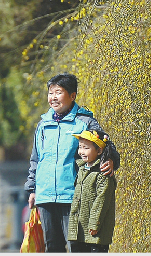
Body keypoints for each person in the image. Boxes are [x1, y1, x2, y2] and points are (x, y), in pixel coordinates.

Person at [24, 73, 120, 252]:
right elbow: (36, 159)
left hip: (73, 196)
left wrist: (111, 159)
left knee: (77, 246)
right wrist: (32, 189)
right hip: (45, 195)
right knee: (52, 247)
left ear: (72, 95)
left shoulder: (84, 122)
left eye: (58, 92)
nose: (53, 97)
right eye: (50, 93)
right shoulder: (43, 124)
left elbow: (106, 144)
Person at [68, 130, 116, 253]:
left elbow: (102, 200)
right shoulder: (81, 169)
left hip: (95, 233)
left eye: (86, 148)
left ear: (99, 151)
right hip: (79, 230)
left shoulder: (102, 173)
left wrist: (95, 223)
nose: (81, 152)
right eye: (80, 147)